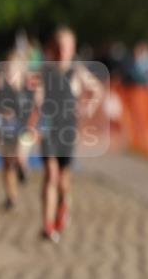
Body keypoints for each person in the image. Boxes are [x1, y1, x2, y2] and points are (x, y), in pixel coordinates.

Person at [31, 26, 104, 242]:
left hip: (68, 130)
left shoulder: (77, 71)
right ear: (51, 49)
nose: (62, 52)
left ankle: (63, 207)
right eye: (58, 47)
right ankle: (47, 225)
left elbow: (97, 90)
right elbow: (37, 96)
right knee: (50, 175)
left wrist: (87, 107)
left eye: (66, 47)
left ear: (72, 49)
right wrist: (36, 115)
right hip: (48, 130)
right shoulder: (45, 71)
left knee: (63, 181)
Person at [0, 50, 35, 209]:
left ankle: (23, 169)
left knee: (19, 152)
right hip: (6, 131)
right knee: (7, 165)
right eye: (8, 69)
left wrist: (31, 125)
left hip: (25, 130)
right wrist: (3, 113)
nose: (10, 73)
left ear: (22, 70)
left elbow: (36, 110)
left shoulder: (28, 90)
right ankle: (11, 197)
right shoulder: (1, 91)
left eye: (14, 69)